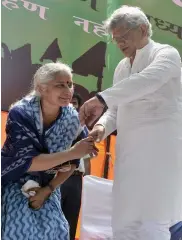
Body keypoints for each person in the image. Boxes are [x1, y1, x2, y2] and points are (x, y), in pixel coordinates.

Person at [79, 5, 182, 240]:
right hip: (128, 157)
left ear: (143, 29)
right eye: (116, 39)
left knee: (152, 223)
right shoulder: (122, 67)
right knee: (123, 223)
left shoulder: (166, 54)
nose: (120, 43)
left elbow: (148, 81)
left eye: (124, 37)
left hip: (159, 155)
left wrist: (101, 98)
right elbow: (116, 110)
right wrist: (101, 128)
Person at [1, 62, 98, 240]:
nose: (68, 90)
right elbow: (28, 162)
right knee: (18, 230)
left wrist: (47, 190)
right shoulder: (21, 114)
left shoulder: (72, 118)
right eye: (60, 85)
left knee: (58, 230)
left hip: (49, 186)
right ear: (41, 88)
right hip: (13, 181)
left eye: (70, 84)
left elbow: (72, 164)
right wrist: (72, 153)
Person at [61, 92, 91, 240]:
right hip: (56, 177)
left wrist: (87, 180)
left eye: (75, 103)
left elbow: (87, 158)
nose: (72, 105)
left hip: (76, 179)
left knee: (71, 218)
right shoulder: (56, 125)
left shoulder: (83, 128)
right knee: (53, 218)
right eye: (69, 102)